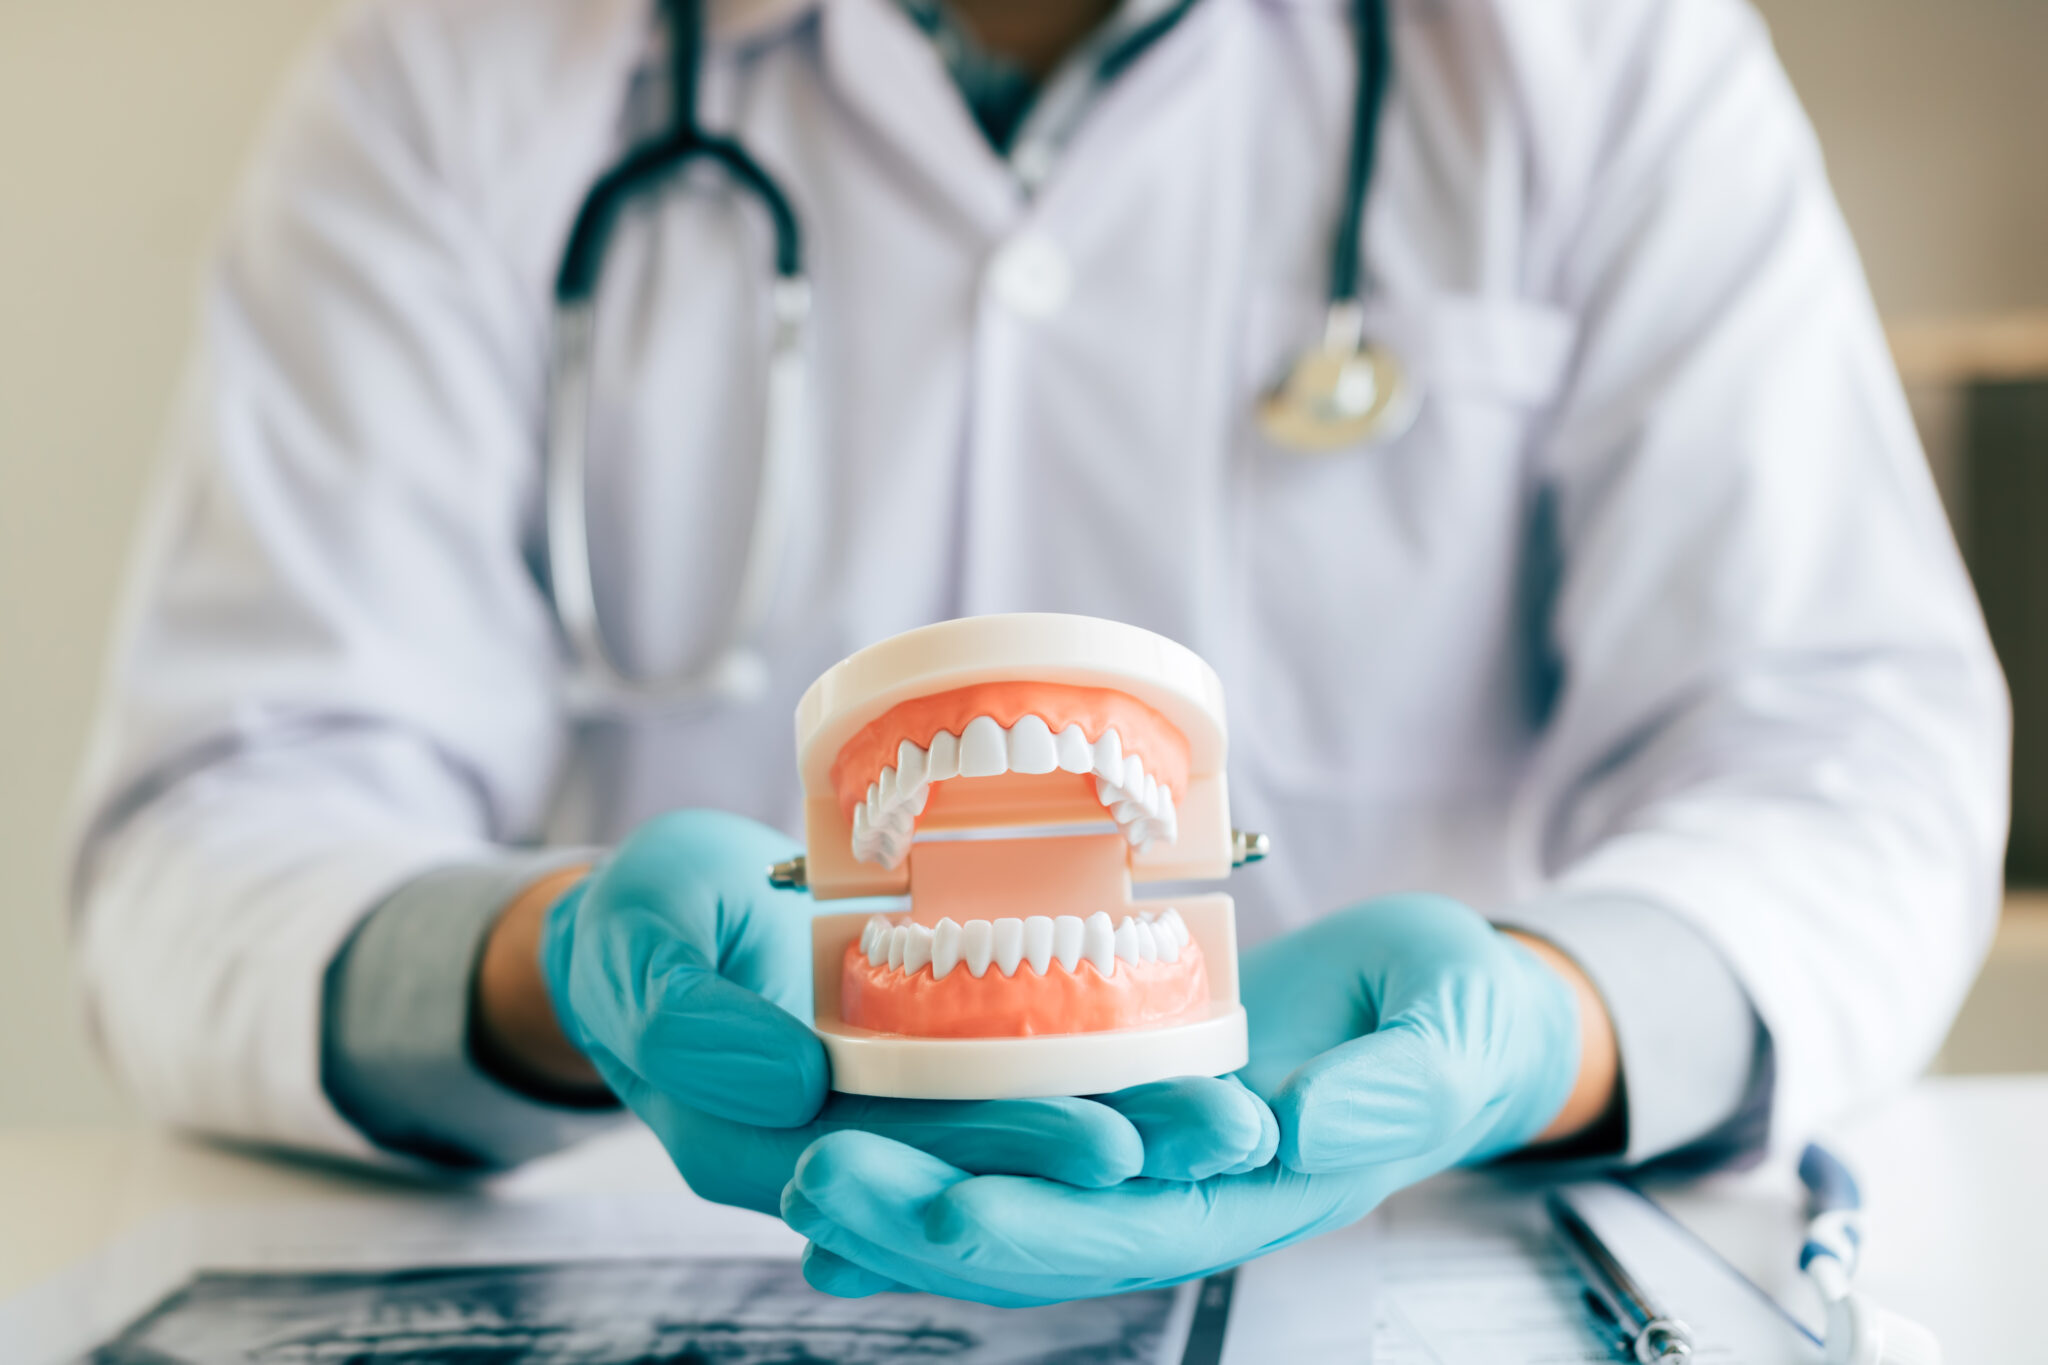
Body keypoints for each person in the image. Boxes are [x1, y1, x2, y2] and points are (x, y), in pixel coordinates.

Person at [68, 0, 2007, 1305]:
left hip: (1410, 1269)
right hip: (722, 1258)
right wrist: (543, 967)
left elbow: (1849, 752)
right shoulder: (456, 66)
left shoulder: (1601, 52)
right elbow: (215, 830)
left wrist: (1545, 1021)